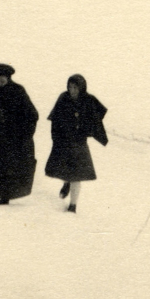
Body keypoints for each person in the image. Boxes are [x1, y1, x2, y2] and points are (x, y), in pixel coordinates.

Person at [0, 64, 39, 205]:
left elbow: (32, 115)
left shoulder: (18, 91)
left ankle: (4, 197)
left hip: (9, 138)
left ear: (8, 77)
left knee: (6, 167)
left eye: (2, 78)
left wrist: (24, 136)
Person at [45, 74, 108, 213]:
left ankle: (73, 205)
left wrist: (88, 127)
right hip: (63, 141)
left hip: (79, 143)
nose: (72, 90)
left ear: (81, 88)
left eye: (75, 87)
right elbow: (54, 120)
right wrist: (56, 139)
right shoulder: (63, 98)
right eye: (70, 87)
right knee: (67, 170)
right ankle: (66, 183)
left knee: (77, 174)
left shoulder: (88, 100)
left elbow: (100, 111)